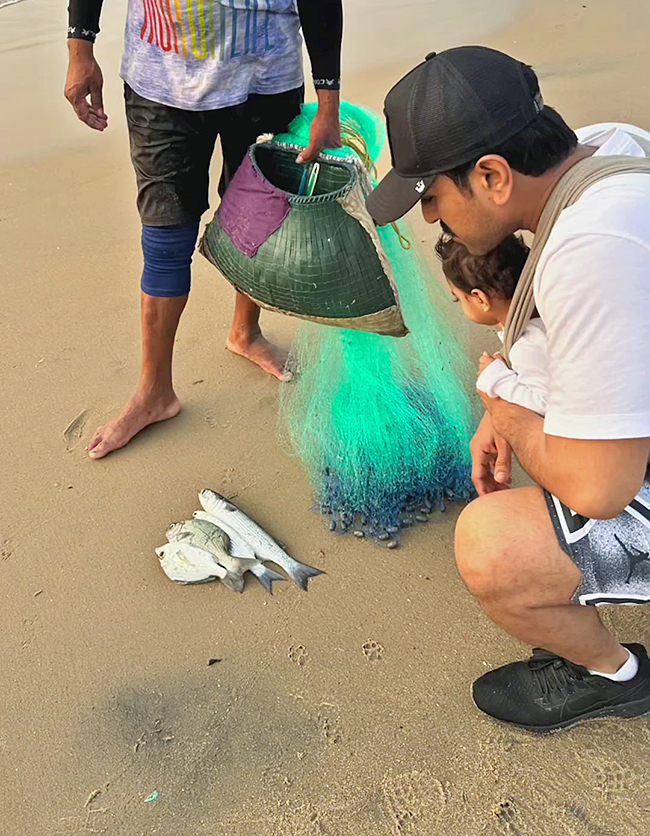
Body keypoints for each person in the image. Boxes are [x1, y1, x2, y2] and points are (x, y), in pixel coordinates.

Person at [367, 46, 650, 732]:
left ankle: (614, 677)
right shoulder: (608, 147)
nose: (430, 218)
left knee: (490, 549)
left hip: (614, 475)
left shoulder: (590, 250)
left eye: (431, 195)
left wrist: (506, 407)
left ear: (492, 175)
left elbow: (597, 490)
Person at [64, 0, 343, 459]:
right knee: (165, 238)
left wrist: (327, 101)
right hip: (162, 80)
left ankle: (245, 332)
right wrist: (80, 47)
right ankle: (155, 391)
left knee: (258, 222)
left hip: (265, 78)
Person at [436, 233, 549, 418]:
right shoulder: (543, 316)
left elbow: (545, 403)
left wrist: (496, 377)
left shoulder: (527, 344)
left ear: (480, 299)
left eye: (459, 298)